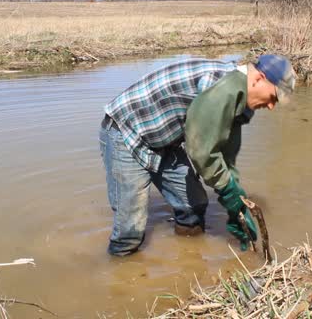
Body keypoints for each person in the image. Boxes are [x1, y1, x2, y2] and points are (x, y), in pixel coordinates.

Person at [99, 54, 296, 256]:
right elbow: (201, 151)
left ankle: (189, 265)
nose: (272, 106)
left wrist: (236, 202)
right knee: (129, 230)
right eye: (273, 97)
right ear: (258, 79)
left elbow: (225, 152)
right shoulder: (221, 88)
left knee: (194, 207)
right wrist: (227, 191)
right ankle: (121, 275)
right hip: (126, 133)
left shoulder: (238, 96)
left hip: (165, 142)